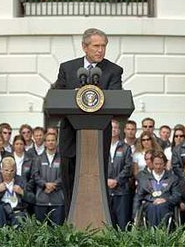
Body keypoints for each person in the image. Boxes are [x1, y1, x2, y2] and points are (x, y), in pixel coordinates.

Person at [53, 28, 123, 212]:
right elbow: (55, 97)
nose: (100, 50)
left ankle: (99, 222)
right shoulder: (67, 68)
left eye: (103, 46)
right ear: (84, 47)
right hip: (71, 136)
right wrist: (72, 97)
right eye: (96, 46)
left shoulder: (113, 71)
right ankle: (71, 223)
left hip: (98, 138)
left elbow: (117, 99)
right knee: (70, 182)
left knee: (96, 182)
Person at [133, 151, 182, 227]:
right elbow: (138, 197)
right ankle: (154, 233)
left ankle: (161, 233)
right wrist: (135, 215)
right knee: (152, 207)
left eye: (161, 164)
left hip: (166, 204)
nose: (158, 167)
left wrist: (165, 200)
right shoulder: (144, 179)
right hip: (150, 204)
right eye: (156, 164)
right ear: (152, 163)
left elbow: (177, 196)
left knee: (161, 207)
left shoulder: (173, 178)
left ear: (164, 164)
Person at [0, 156, 32, 227]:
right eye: (6, 170)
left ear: (15, 170)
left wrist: (22, 192)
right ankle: (3, 232)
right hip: (0, 210)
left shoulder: (21, 180)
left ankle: (15, 237)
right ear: (1, 170)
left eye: (12, 170)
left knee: (19, 217)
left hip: (17, 210)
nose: (9, 173)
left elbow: (32, 199)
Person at [32, 130, 64, 225]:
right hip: (41, 200)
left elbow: (64, 176)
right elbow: (35, 175)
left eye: (53, 140)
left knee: (57, 231)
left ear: (56, 142)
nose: (50, 142)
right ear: (45, 143)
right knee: (41, 230)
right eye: (48, 140)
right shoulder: (38, 158)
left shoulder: (62, 158)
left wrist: (54, 185)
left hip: (57, 200)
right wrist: (45, 185)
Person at [107, 119, 133, 230]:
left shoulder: (126, 147)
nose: (113, 130)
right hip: (106, 190)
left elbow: (128, 167)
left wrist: (117, 180)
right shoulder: (103, 146)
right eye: (111, 128)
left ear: (120, 130)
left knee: (122, 223)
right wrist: (106, 180)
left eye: (115, 127)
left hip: (122, 190)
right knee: (108, 222)